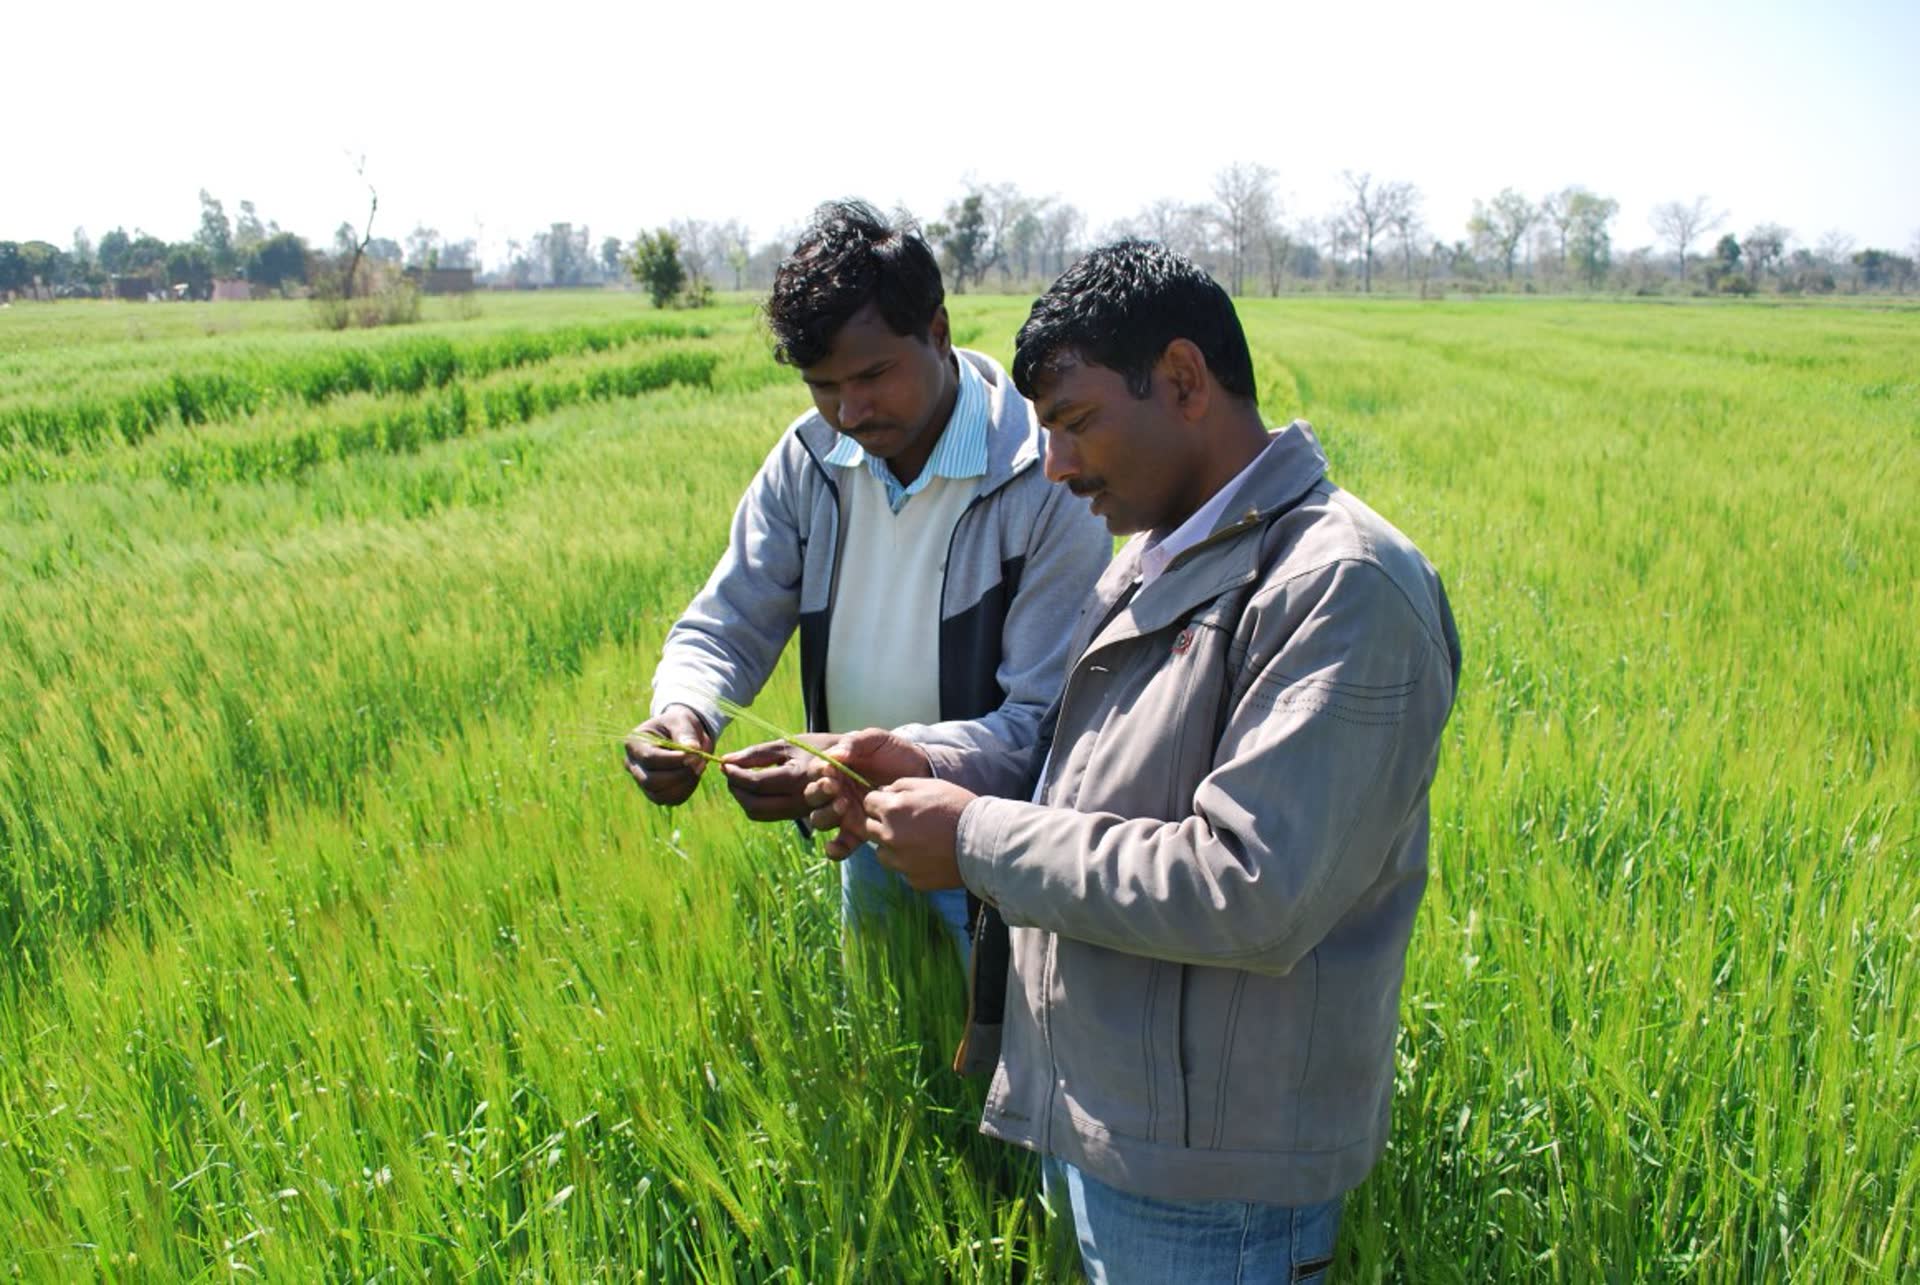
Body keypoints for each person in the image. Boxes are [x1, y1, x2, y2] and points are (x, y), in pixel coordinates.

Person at [806, 241, 1461, 1282]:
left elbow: (1247, 885)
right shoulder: (1157, 557)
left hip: (1219, 1183)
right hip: (1111, 1114)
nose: (1055, 467)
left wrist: (971, 840)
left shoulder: (1341, 587)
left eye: (1074, 424)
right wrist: (921, 758)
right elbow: (1052, 757)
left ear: (1185, 380)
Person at [622, 199, 1109, 959]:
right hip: (857, 832)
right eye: (823, 385)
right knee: (891, 1035)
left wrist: (873, 757)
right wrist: (684, 712)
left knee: (992, 1061)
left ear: (939, 333)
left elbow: (1042, 720)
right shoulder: (810, 457)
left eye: (875, 374)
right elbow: (729, 617)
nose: (849, 410)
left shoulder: (1044, 475)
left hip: (990, 840)